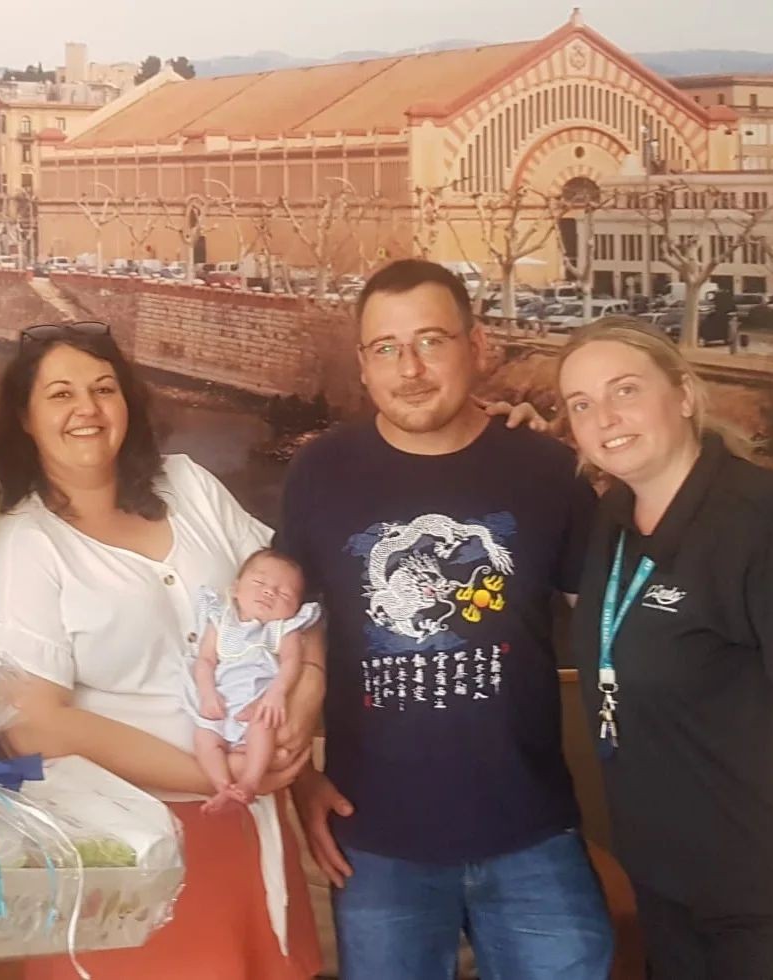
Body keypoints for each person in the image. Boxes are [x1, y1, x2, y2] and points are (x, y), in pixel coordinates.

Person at [278, 260, 614, 980]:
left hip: (533, 832)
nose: (410, 370)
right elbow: (290, 636)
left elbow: (612, 624)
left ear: (477, 345)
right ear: (363, 364)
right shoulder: (319, 472)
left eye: (431, 341)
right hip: (376, 842)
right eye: (386, 348)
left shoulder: (546, 469)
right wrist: (300, 777)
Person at [0, 321, 323, 980]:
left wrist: (306, 696)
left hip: (250, 830)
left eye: (104, 388)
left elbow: (292, 602)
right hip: (124, 852)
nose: (87, 408)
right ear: (23, 418)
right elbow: (33, 727)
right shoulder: (19, 547)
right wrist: (214, 778)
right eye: (60, 394)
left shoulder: (190, 487)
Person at [557, 316, 773, 980]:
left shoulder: (770, 524)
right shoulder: (613, 520)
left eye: (625, 390)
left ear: (682, 394)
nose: (605, 417)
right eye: (581, 404)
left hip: (769, 904)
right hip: (666, 892)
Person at [185, 548, 321, 813]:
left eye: (284, 594)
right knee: (204, 737)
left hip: (259, 702)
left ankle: (249, 782)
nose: (269, 592)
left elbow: (292, 663)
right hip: (221, 702)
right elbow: (205, 661)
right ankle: (222, 785)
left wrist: (276, 694)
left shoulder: (283, 629)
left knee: (263, 727)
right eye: (259, 582)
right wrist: (208, 694)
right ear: (236, 589)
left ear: (295, 608)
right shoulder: (221, 621)